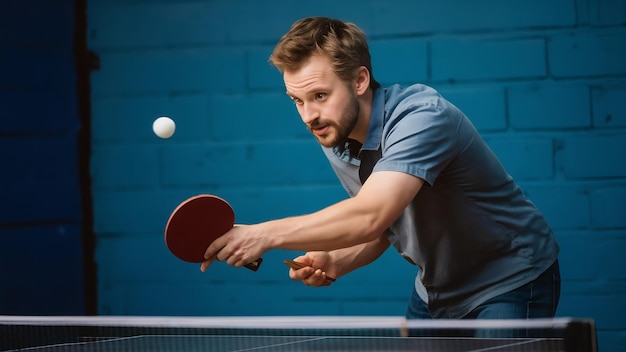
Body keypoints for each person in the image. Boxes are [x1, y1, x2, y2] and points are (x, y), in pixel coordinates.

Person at [201, 16, 560, 320]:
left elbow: (369, 214)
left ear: (359, 81)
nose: (309, 115)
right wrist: (336, 259)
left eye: (320, 96)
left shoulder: (422, 118)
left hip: (509, 278)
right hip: (437, 288)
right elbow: (383, 228)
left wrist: (262, 235)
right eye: (298, 100)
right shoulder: (335, 134)